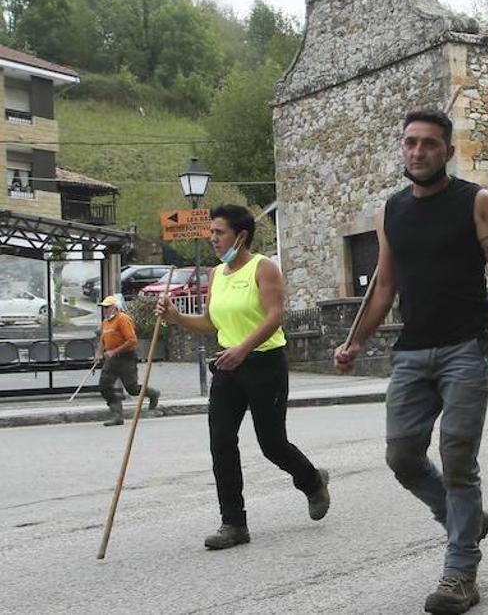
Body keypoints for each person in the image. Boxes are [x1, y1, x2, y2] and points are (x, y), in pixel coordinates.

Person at [334, 109, 488, 615]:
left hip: (466, 346)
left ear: (448, 151)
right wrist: (356, 341)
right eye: (410, 143)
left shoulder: (475, 202)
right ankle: (466, 519)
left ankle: (460, 572)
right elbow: (384, 288)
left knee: (458, 458)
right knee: (402, 457)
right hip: (412, 351)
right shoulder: (390, 211)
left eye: (429, 144)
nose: (418, 152)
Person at [157, 204, 329, 550]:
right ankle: (233, 523)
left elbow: (275, 316)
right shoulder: (217, 274)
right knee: (221, 442)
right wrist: (176, 317)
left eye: (219, 233)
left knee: (272, 444)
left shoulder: (263, 268)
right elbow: (211, 322)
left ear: (241, 236)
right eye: (211, 233)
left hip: (264, 363)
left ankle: (311, 481)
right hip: (227, 366)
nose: (213, 239)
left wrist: (243, 349)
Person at [97, 294, 159, 426]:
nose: (105, 310)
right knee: (104, 386)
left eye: (107, 307)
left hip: (126, 358)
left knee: (132, 388)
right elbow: (103, 340)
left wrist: (114, 351)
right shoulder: (105, 322)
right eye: (104, 307)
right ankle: (117, 415)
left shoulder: (123, 319)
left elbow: (132, 341)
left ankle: (153, 394)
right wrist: (98, 353)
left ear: (114, 308)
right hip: (112, 360)